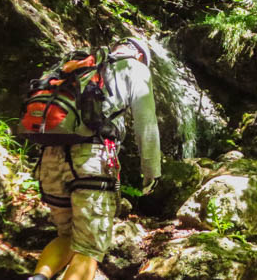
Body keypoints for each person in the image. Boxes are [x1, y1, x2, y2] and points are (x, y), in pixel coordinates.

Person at [29, 37, 161, 280]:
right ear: (140, 55)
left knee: (67, 237)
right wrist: (151, 172)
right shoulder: (135, 68)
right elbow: (146, 124)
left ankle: (37, 277)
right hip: (92, 163)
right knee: (88, 248)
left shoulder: (73, 65)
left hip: (49, 157)